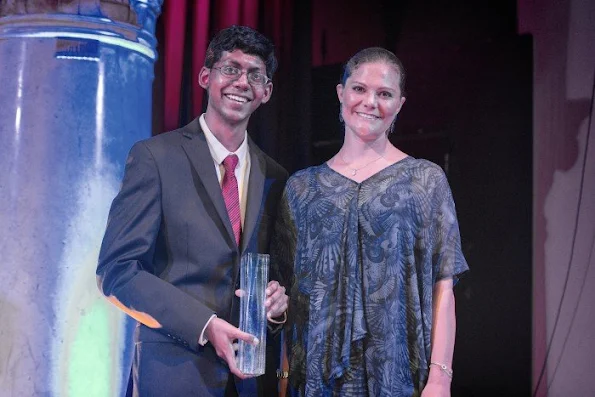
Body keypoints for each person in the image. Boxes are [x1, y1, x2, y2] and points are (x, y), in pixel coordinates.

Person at [97, 25, 289, 396]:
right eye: (230, 68)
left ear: (266, 92)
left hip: (250, 382)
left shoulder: (275, 178)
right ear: (205, 77)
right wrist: (205, 324)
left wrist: (277, 306)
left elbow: (277, 279)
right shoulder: (156, 157)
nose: (241, 82)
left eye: (255, 74)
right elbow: (117, 271)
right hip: (173, 375)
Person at [272, 47, 469, 397]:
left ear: (400, 104)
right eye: (360, 89)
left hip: (400, 374)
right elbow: (289, 295)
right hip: (317, 380)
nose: (370, 102)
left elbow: (443, 285)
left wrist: (441, 378)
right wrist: (283, 379)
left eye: (384, 94)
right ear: (340, 93)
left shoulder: (424, 180)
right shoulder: (302, 189)